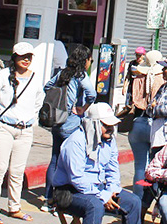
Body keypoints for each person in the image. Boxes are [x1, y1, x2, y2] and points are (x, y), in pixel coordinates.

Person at [51, 103, 141, 224]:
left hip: (97, 188)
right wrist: (103, 196)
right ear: (93, 124)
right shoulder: (75, 142)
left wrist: (112, 189)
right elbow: (76, 178)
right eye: (106, 125)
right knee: (95, 206)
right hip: (70, 191)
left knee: (134, 202)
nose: (110, 128)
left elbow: (112, 169)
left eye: (112, 125)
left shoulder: (109, 140)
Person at [0, 42, 45, 223]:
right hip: (3, 127)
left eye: (29, 56)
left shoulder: (35, 78)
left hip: (25, 130)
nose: (26, 59)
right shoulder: (2, 76)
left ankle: (14, 207)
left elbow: (38, 103)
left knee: (17, 171)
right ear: (15, 57)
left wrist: (30, 121)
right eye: (22, 56)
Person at [44, 44, 97, 212]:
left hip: (56, 121)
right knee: (68, 161)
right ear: (85, 60)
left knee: (54, 159)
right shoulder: (80, 75)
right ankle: (63, 201)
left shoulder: (63, 72)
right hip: (70, 123)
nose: (90, 62)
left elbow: (47, 87)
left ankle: (48, 199)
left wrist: (59, 101)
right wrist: (82, 108)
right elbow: (92, 94)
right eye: (90, 59)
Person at [128, 49, 164, 200]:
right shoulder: (161, 79)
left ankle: (137, 200)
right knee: (156, 166)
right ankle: (152, 198)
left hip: (137, 123)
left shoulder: (138, 76)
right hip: (153, 124)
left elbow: (133, 99)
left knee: (140, 166)